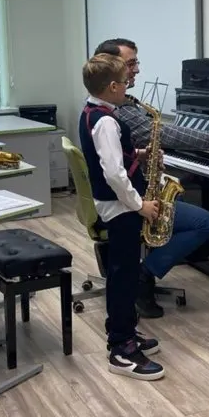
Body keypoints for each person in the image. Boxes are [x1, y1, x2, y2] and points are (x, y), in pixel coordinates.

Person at [94, 38, 209, 317]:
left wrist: (138, 154)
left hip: (122, 195)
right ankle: (144, 275)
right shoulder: (117, 111)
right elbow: (169, 134)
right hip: (127, 202)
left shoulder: (102, 106)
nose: (137, 70)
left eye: (136, 62)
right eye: (131, 64)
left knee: (191, 212)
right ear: (111, 68)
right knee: (202, 222)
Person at [79, 52, 165, 379]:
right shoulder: (106, 121)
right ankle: (121, 349)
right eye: (125, 82)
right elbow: (114, 174)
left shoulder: (93, 112)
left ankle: (124, 329)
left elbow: (112, 157)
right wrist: (139, 205)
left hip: (117, 205)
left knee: (124, 273)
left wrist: (138, 153)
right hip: (121, 208)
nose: (129, 86)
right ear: (113, 87)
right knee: (124, 275)